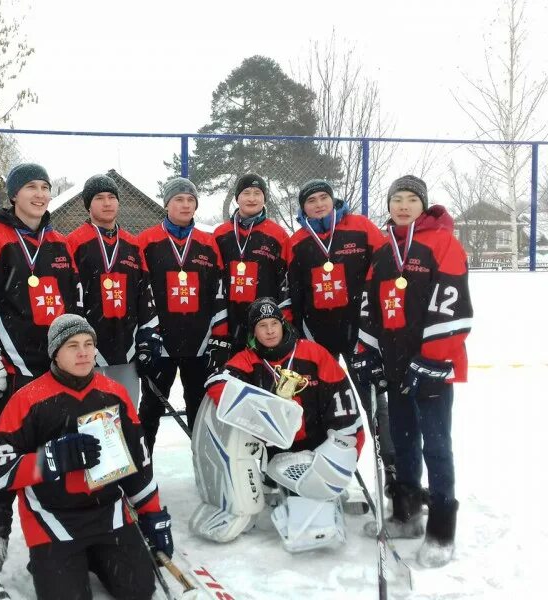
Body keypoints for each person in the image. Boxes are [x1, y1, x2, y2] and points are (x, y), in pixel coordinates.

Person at [0, 314, 173, 600]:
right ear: (55, 353)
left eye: (89, 344)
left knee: (140, 590)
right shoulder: (26, 400)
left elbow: (139, 462)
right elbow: (0, 472)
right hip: (52, 519)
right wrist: (52, 458)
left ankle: (93, 556)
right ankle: (56, 561)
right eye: (73, 345)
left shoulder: (114, 393)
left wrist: (153, 514)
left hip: (107, 513)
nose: (84, 352)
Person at [0, 162, 82, 570]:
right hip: (11, 370)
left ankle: (59, 525)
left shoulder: (60, 245)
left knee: (58, 452)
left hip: (56, 370)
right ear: (13, 195)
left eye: (46, 187)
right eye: (31, 186)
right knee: (6, 453)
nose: (41, 194)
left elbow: (73, 310)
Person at [354, 175, 472, 568]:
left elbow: (452, 307)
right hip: (397, 366)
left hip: (432, 369)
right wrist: (367, 353)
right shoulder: (384, 252)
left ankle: (441, 529)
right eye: (396, 200)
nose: (402, 206)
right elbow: (369, 308)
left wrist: (432, 360)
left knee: (436, 446)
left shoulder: (443, 243)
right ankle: (406, 515)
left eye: (410, 200)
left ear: (423, 205)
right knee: (403, 441)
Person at [189, 297, 364, 552]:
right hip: (275, 451)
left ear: (283, 324)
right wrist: (263, 415)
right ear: (253, 331)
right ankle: (280, 486)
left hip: (317, 446)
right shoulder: (249, 360)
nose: (270, 331)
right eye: (262, 326)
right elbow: (216, 384)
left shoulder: (313, 353)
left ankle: (317, 489)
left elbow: (344, 405)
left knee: (310, 511)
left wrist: (343, 454)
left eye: (274, 323)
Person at [287, 179, 396, 491]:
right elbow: (293, 294)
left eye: (324, 198)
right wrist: (297, 336)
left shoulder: (360, 228)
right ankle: (317, 467)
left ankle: (393, 468)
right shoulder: (297, 243)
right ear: (303, 207)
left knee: (374, 400)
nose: (319, 204)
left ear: (333, 200)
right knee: (316, 403)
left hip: (359, 334)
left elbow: (387, 268)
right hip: (317, 337)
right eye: (311, 200)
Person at [137, 177, 229, 454]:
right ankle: (144, 466)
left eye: (191, 200)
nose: (185, 205)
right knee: (151, 407)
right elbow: (141, 293)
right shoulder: (146, 241)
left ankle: (205, 466)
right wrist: (147, 336)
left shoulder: (208, 243)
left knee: (199, 407)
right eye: (179, 199)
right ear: (166, 204)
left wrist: (219, 337)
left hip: (198, 342)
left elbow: (219, 292)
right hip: (160, 343)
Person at [66, 174, 161, 405]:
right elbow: (68, 297)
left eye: (111, 197)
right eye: (99, 198)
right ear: (88, 205)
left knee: (128, 415)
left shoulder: (132, 243)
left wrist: (148, 339)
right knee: (90, 418)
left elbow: (144, 294)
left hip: (126, 348)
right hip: (87, 349)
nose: (107, 203)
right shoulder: (73, 242)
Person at [213, 173, 291, 352]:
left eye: (257, 193)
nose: (252, 198)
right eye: (246, 193)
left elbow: (286, 281)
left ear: (264, 198)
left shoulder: (278, 235)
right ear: (237, 198)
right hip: (228, 320)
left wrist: (283, 320)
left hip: (266, 323)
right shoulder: (220, 234)